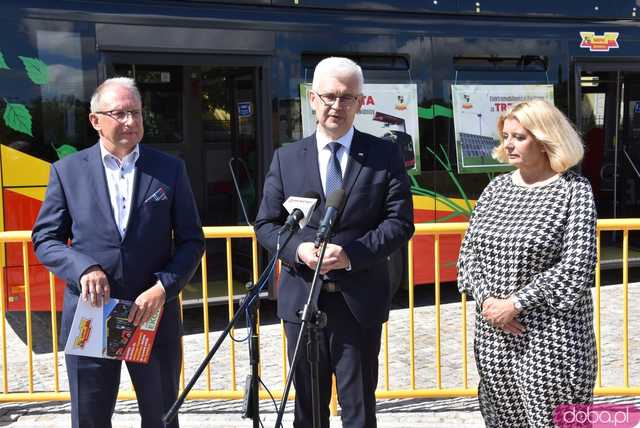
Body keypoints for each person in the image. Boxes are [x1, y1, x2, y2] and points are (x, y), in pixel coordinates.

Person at [32, 77, 205, 428]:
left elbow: (192, 241)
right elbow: (46, 239)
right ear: (96, 120)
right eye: (120, 113)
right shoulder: (67, 172)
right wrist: (83, 269)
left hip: (150, 314)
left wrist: (163, 288)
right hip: (93, 314)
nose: (130, 121)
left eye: (136, 113)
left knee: (160, 417)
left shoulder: (169, 169)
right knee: (91, 418)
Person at [254, 57, 414, 428]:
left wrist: (351, 255)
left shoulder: (383, 155)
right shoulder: (286, 158)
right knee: (307, 411)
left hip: (358, 303)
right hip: (301, 301)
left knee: (358, 408)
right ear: (312, 99)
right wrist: (297, 249)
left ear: (361, 103)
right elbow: (266, 224)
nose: (336, 107)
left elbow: (400, 222)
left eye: (346, 98)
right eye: (328, 96)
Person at [457, 99, 597, 426]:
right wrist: (490, 302)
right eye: (506, 136)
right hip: (495, 336)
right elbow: (469, 255)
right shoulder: (495, 189)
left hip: (552, 339)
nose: (508, 144)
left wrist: (517, 304)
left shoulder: (573, 191)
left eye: (519, 137)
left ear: (546, 139)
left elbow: (576, 266)